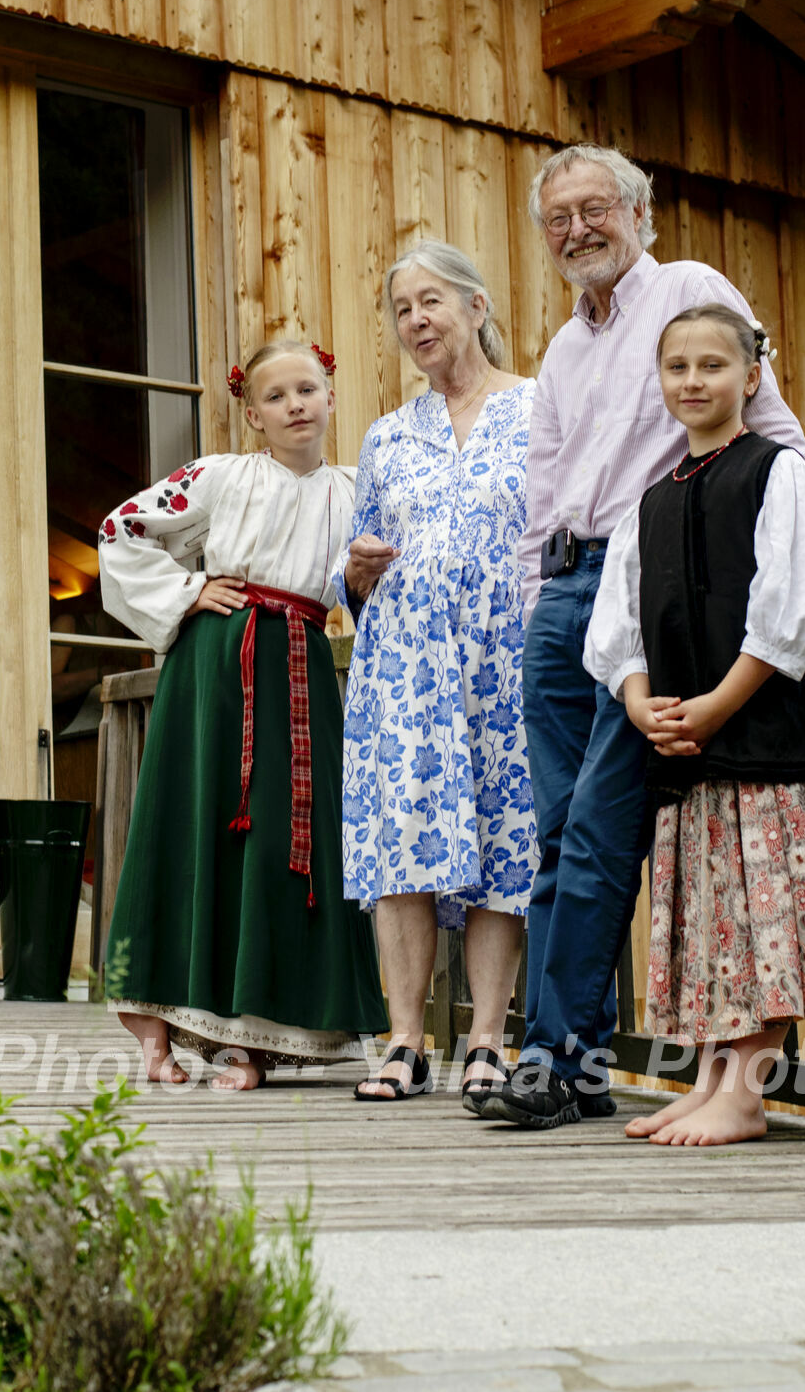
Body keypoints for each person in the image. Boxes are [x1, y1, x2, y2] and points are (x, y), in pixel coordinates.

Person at [484, 143, 805, 1131]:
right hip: (560, 595)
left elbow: (769, 429)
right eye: (556, 218)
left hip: (647, 597)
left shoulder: (684, 289)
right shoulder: (561, 348)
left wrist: (771, 540)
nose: (576, 229)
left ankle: (553, 1059)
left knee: (593, 829)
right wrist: (530, 605)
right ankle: (566, 1063)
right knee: (549, 838)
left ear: (639, 213)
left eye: (594, 209)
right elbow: (542, 494)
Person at [582, 303, 805, 1144]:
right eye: (677, 367)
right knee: (713, 921)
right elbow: (618, 625)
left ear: (750, 376)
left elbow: (796, 610)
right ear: (661, 382)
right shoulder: (649, 502)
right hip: (686, 750)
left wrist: (715, 705)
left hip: (761, 742)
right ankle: (711, 1077)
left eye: (713, 365)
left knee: (763, 920)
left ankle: (744, 1091)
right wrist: (639, 701)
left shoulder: (777, 475)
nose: (694, 380)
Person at [98, 340, 387, 1091]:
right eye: (277, 395)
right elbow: (120, 528)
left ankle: (249, 1039)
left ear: (328, 396)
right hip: (214, 673)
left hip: (299, 668)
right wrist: (186, 592)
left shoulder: (356, 491)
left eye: (308, 388)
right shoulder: (220, 476)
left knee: (283, 845)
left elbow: (371, 589)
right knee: (192, 826)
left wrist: (353, 587)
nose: (295, 403)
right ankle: (156, 1039)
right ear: (252, 413)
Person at [334, 241, 536, 1110]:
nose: (417, 320)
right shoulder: (386, 435)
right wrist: (356, 572)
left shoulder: (537, 410)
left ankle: (488, 1039)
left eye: (432, 302)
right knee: (402, 847)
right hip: (405, 664)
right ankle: (405, 1040)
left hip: (507, 655)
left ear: (477, 307)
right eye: (403, 309)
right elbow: (348, 570)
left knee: (503, 838)